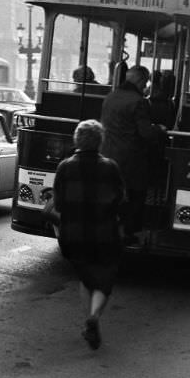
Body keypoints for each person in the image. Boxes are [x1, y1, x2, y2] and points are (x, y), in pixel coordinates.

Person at [52, 119, 125, 350]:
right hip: (104, 234)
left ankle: (90, 322)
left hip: (73, 235)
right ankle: (93, 317)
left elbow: (60, 204)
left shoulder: (65, 166)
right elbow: (120, 201)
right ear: (100, 141)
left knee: (86, 278)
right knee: (104, 279)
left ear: (77, 140)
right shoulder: (110, 167)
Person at [100, 65, 166, 242]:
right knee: (136, 194)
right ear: (139, 80)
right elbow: (145, 133)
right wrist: (159, 129)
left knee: (112, 194)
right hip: (131, 158)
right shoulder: (139, 101)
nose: (146, 86)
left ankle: (109, 228)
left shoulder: (111, 97)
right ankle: (129, 232)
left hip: (107, 154)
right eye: (145, 82)